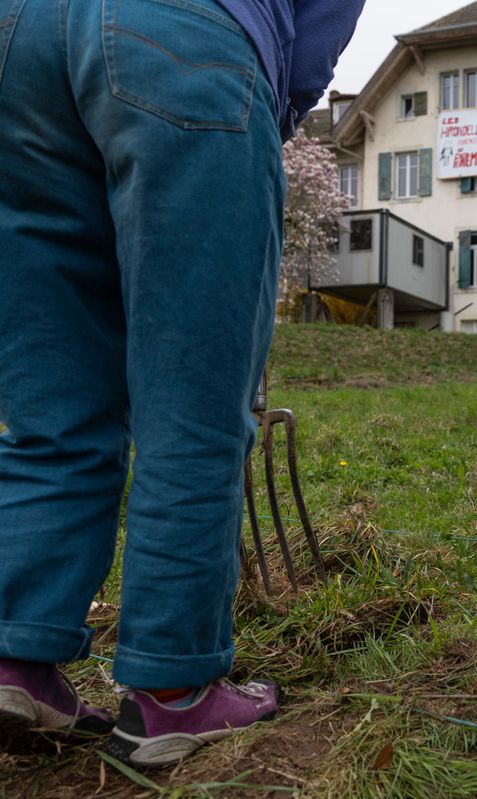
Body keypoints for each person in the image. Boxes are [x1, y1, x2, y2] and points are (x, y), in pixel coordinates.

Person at [0, 0, 363, 768]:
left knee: (51, 405)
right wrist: (265, 105)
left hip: (18, 45)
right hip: (182, 40)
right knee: (192, 405)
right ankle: (173, 688)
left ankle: (14, 655)